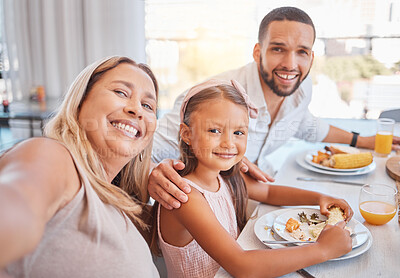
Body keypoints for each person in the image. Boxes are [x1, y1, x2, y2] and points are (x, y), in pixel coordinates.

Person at [148, 6, 400, 210]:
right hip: (204, 205)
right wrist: (150, 174)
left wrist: (362, 141)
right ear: (258, 52)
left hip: (247, 193)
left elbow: (304, 124)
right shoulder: (216, 98)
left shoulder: (301, 88)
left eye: (301, 52)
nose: (290, 64)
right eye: (278, 49)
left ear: (311, 58)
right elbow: (148, 151)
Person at [150, 79, 353, 278]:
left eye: (238, 132)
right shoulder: (185, 197)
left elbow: (268, 192)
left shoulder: (227, 176)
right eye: (214, 130)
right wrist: (322, 250)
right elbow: (242, 266)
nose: (229, 143)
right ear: (186, 133)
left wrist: (319, 198)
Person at [0, 56, 160, 277]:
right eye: (121, 92)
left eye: (147, 105)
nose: (137, 110)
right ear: (80, 102)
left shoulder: (121, 205)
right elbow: (16, 206)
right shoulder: (54, 157)